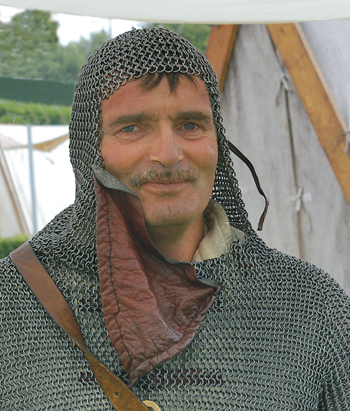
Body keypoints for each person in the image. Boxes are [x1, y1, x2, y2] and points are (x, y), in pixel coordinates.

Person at [1, 27, 350, 410]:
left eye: (190, 125)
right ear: (90, 148)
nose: (168, 153)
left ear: (217, 142)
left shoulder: (309, 310)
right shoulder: (11, 305)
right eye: (132, 127)